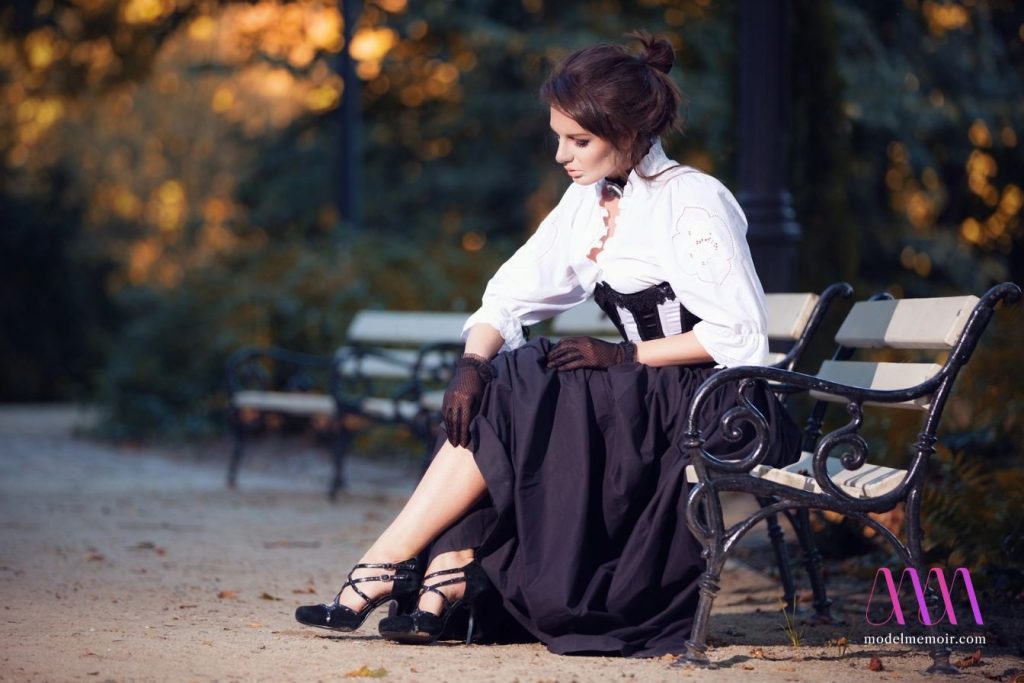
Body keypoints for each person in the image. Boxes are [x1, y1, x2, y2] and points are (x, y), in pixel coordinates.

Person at [295, 32, 800, 657]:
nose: (561, 153)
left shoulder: (692, 201)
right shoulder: (587, 201)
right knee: (503, 376)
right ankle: (437, 574)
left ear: (628, 133)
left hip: (715, 403)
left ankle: (394, 569)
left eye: (579, 140)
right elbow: (509, 296)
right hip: (645, 395)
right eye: (558, 135)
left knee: (528, 373)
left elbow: (742, 337)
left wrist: (626, 355)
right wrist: (472, 363)